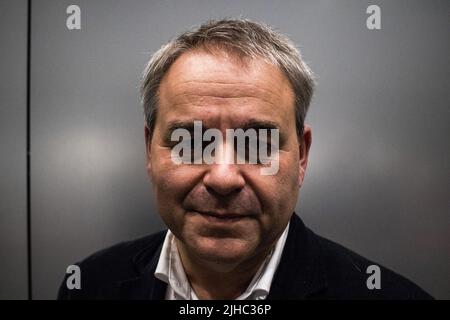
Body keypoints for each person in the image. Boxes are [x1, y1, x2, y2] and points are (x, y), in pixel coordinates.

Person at [58, 18, 432, 300]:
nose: (223, 177)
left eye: (258, 144)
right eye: (191, 141)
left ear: (301, 157)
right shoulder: (89, 285)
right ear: (150, 152)